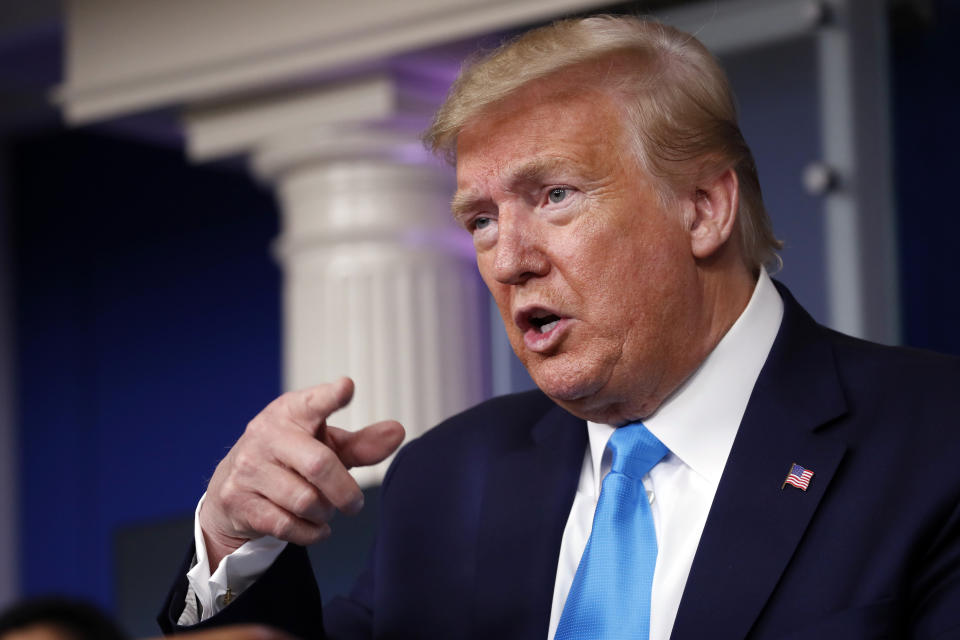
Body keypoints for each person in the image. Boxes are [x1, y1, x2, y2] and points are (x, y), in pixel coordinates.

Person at [159, 15, 960, 640]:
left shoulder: (934, 438)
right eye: (479, 219)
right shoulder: (447, 478)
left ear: (705, 208)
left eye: (555, 196)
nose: (508, 261)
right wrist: (234, 544)